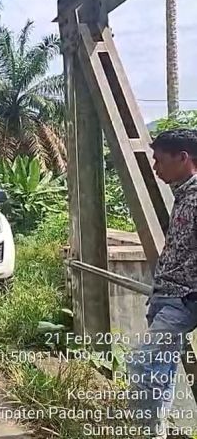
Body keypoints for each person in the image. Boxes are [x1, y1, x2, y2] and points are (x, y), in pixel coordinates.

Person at [128, 128, 197, 438]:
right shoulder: (184, 194)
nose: (155, 168)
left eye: (159, 160)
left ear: (183, 158)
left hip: (183, 299)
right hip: (165, 297)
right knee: (161, 372)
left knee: (143, 365)